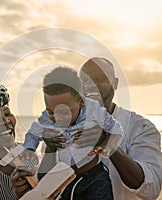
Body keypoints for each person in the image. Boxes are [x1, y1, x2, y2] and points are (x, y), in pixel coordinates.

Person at [23, 66, 124, 200]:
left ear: (81, 102)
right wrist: (29, 149)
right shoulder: (46, 118)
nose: (58, 117)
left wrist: (106, 144)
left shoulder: (93, 110)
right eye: (52, 112)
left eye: (64, 111)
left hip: (95, 177)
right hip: (65, 179)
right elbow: (33, 133)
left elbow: (116, 129)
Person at [77, 57, 162, 199]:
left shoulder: (140, 127)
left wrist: (110, 145)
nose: (91, 85)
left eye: (100, 79)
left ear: (115, 83)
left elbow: (151, 189)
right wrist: (30, 183)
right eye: (84, 80)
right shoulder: (64, 127)